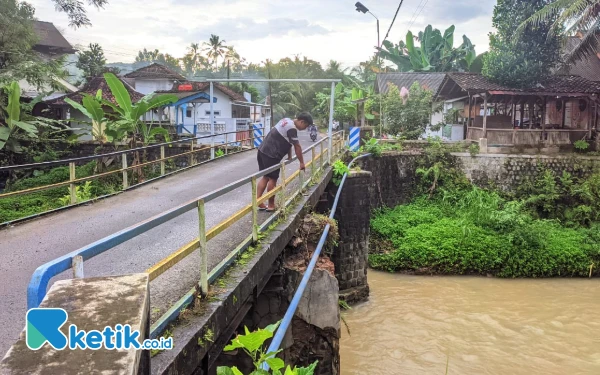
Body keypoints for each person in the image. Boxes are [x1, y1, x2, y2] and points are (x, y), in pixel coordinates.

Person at [256, 112, 312, 211]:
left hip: (262, 151)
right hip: (271, 154)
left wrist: (290, 156)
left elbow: (287, 141)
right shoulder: (292, 128)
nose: (305, 128)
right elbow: (297, 146)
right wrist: (302, 162)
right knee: (272, 179)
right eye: (306, 126)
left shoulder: (286, 120)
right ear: (302, 122)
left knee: (265, 177)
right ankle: (271, 205)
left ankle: (259, 201)